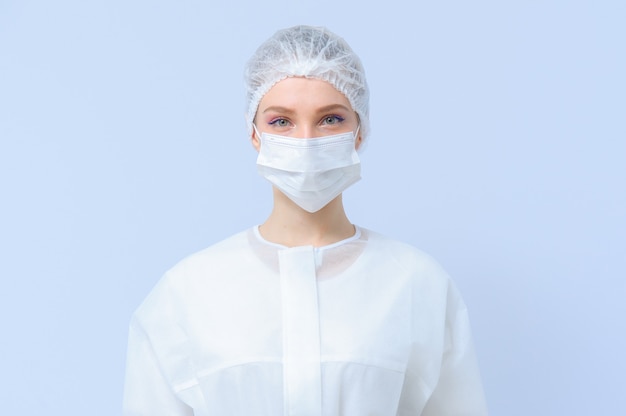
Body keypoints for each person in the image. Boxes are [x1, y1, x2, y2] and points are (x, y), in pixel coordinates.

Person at [123, 25, 488, 415]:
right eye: (281, 121)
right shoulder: (187, 293)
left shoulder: (417, 285)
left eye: (330, 119)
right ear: (253, 134)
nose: (307, 141)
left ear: (359, 131)